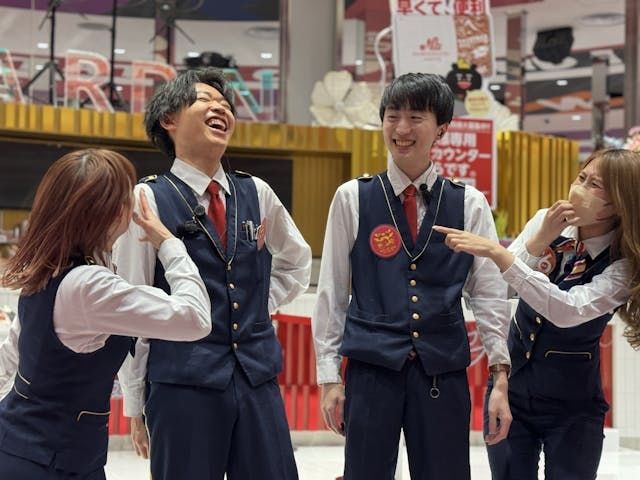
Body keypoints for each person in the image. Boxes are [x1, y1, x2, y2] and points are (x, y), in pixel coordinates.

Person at [311, 72, 512, 480]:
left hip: (443, 371)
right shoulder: (352, 197)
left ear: (441, 128)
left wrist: (500, 377)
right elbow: (332, 292)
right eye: (392, 116)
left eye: (416, 117)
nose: (402, 128)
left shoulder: (469, 203)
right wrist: (329, 378)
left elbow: (489, 294)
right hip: (371, 369)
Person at [114, 67, 312, 480]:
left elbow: (296, 261)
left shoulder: (256, 191)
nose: (220, 108)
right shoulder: (147, 197)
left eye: (225, 104)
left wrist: (258, 305)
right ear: (169, 120)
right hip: (182, 383)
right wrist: (135, 403)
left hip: (257, 378)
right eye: (204, 100)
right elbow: (134, 307)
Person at [0, 148, 212, 480]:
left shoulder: (46, 267)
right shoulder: (90, 285)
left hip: (29, 447)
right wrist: (170, 244)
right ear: (110, 212)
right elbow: (195, 318)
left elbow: (13, 357)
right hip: (52, 462)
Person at [434, 148, 640, 479]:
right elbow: (499, 291)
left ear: (619, 202)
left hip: (574, 407)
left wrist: (499, 253)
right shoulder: (546, 221)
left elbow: (568, 310)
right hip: (512, 392)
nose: (579, 189)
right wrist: (539, 239)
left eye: (594, 185)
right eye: (581, 177)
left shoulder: (623, 263)